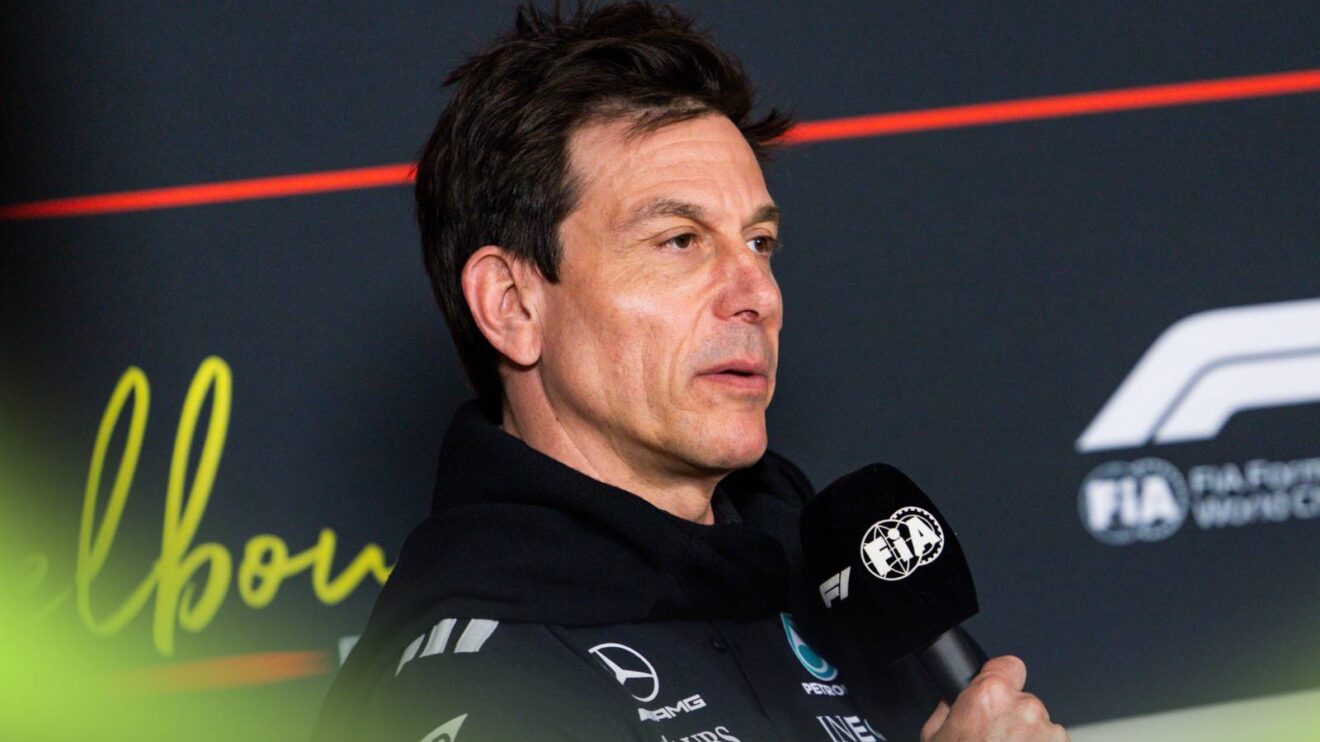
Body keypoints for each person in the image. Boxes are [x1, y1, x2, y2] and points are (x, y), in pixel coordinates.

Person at [313, 3, 1068, 740]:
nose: (758, 295)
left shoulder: (831, 577)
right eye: (680, 241)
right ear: (512, 305)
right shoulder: (467, 688)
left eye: (759, 243)